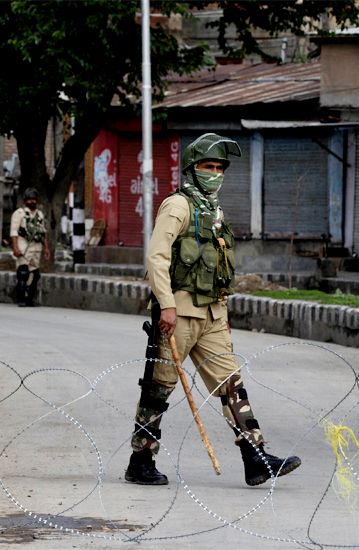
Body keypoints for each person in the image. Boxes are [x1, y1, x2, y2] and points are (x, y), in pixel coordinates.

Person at [126, 133, 301, 487]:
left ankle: (256, 458)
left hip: (213, 317)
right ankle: (140, 460)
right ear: (193, 169)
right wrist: (168, 305)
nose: (216, 173)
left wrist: (222, 314)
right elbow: (156, 257)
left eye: (220, 167)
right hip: (179, 315)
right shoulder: (178, 206)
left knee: (231, 384)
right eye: (209, 166)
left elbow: (217, 267)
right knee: (159, 388)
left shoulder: (215, 210)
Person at [10, 188, 50, 307]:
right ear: (25, 200)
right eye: (29, 199)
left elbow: (43, 232)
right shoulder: (19, 214)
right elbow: (14, 232)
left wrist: (46, 248)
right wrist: (15, 247)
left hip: (36, 246)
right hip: (24, 244)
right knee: (23, 273)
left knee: (35, 274)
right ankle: (21, 298)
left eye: (34, 199)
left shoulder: (39, 214)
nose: (32, 201)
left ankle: (30, 299)